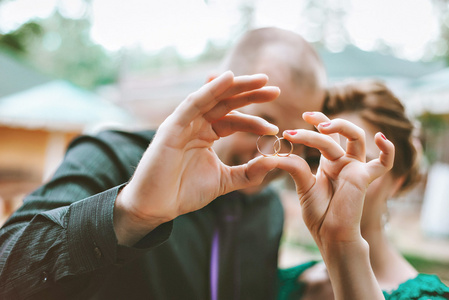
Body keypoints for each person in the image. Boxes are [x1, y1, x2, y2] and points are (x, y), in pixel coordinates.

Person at [0, 27, 327, 299]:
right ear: (217, 93)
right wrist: (128, 214)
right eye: (261, 126)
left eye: (293, 141)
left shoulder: (269, 210)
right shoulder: (109, 157)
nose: (272, 158)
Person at [277, 80, 449, 299]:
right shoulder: (281, 283)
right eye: (316, 158)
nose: (330, 174)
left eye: (357, 165)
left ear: (399, 181)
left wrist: (342, 243)